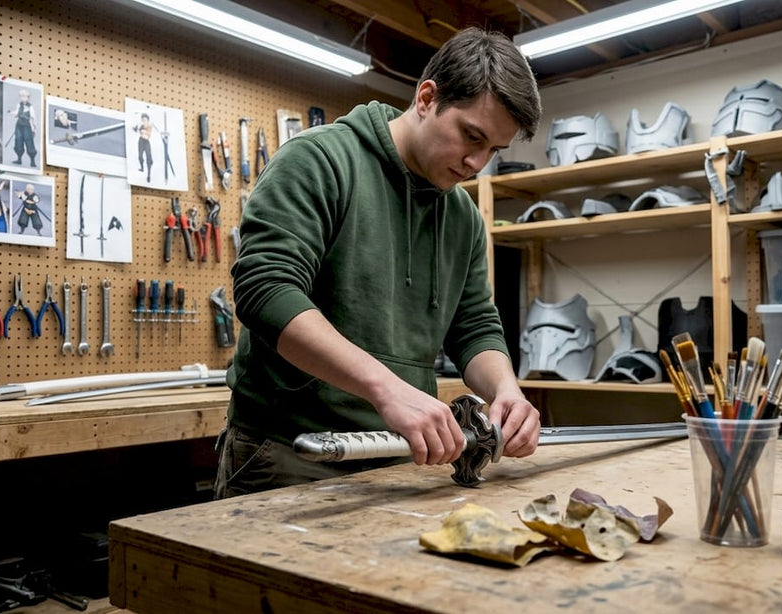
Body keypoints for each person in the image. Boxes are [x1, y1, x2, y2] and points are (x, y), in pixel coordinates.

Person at [215, 27, 542, 499]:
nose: (477, 162)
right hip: (291, 453)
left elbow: (473, 327)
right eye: (471, 136)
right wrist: (387, 389)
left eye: (494, 150)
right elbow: (266, 291)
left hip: (402, 454)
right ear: (427, 98)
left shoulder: (463, 217)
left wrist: (506, 392)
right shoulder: (320, 161)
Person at [11, 89, 38, 167]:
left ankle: (32, 161)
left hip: (27, 126)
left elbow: (33, 118)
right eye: (22, 96)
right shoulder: (19, 105)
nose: (23, 98)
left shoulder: (30, 107)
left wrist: (34, 127)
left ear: (28, 97)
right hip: (19, 125)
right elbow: (16, 113)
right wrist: (13, 113)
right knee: (18, 141)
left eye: (25, 97)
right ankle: (19, 159)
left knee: (29, 142)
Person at [133, 113, 153, 182]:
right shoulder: (141, 126)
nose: (144, 121)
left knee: (148, 160)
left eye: (145, 120)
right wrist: (135, 128)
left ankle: (149, 175)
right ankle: (142, 168)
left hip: (146, 142)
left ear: (148, 120)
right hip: (141, 141)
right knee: (140, 157)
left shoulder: (149, 126)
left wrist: (143, 131)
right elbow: (136, 130)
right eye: (143, 120)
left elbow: (149, 134)